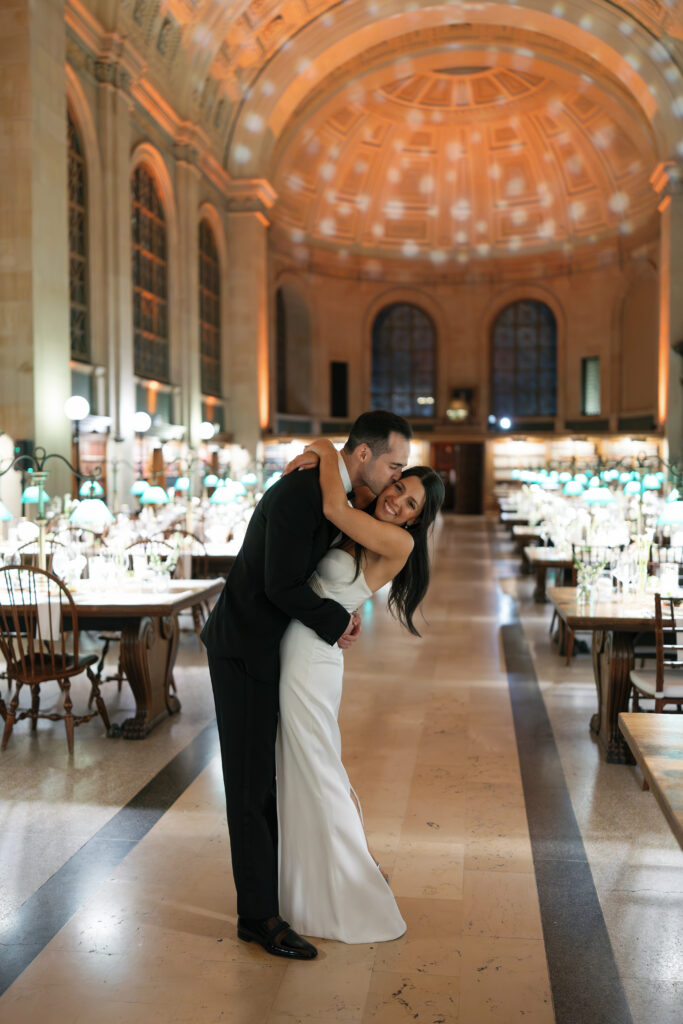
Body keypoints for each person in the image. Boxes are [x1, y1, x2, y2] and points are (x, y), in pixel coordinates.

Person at [200, 410, 413, 960]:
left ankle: (297, 887)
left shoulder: (342, 494)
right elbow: (280, 585)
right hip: (245, 648)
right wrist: (337, 619)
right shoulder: (303, 492)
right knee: (250, 787)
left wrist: (319, 449)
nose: (395, 480)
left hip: (283, 652)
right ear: (363, 454)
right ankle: (259, 919)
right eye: (393, 465)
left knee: (286, 775)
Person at [276, 437, 445, 943]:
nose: (396, 499)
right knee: (308, 769)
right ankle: (310, 883)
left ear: (416, 519)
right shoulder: (364, 516)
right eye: (399, 485)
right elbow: (323, 507)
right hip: (301, 643)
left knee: (320, 771)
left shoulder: (399, 542)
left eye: (410, 503)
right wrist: (310, 461)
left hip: (312, 660)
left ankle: (356, 877)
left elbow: (331, 503)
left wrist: (326, 449)